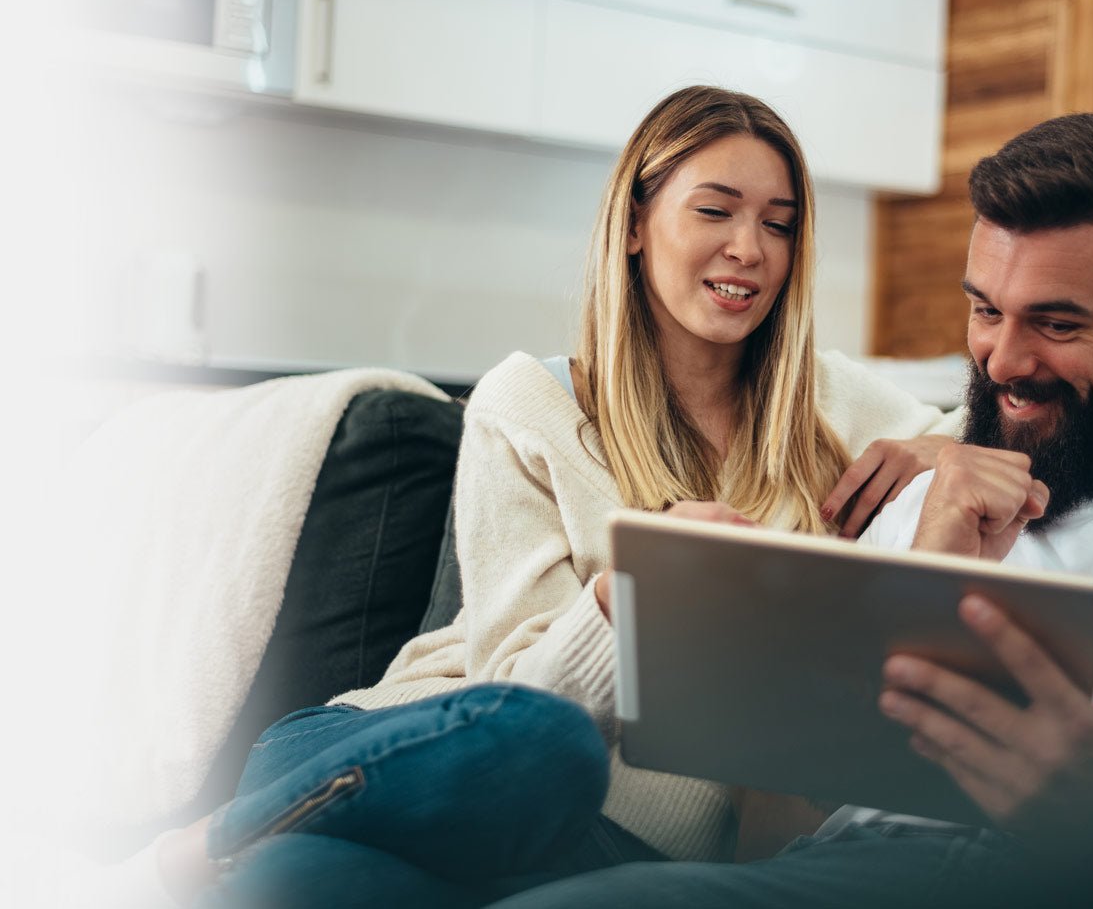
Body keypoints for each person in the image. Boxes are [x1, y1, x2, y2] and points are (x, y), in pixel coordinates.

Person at [487, 113, 1093, 909]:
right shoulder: (916, 505)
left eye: (1056, 323)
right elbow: (765, 839)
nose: (1004, 361)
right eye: (984, 310)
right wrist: (914, 575)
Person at [123, 85, 960, 909]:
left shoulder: (830, 405)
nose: (751, 247)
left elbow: (998, 435)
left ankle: (229, 865)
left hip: (602, 847)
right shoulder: (528, 403)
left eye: (778, 224)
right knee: (548, 745)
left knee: (296, 885)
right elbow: (514, 698)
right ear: (634, 225)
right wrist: (631, 590)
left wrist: (936, 447)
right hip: (400, 755)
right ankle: (190, 851)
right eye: (716, 211)